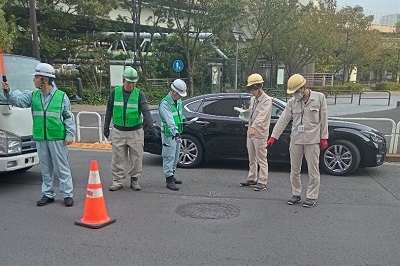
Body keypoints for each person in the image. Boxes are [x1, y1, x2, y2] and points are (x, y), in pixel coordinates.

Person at [2, 63, 76, 207]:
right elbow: (18, 101)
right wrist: (8, 92)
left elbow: (68, 117)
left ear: (45, 80)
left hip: (57, 138)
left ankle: (67, 194)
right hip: (41, 138)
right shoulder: (33, 95)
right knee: (46, 168)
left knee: (62, 167)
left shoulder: (61, 97)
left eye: (36, 77)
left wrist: (69, 135)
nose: (34, 80)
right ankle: (48, 194)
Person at [267, 74, 328, 208]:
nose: (294, 94)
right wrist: (274, 136)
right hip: (296, 139)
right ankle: (296, 193)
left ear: (303, 87)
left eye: (295, 91)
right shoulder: (292, 102)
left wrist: (324, 137)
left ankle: (312, 196)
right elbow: (283, 119)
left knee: (313, 170)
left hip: (312, 139)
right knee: (294, 169)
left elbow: (324, 119)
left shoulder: (319, 98)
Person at [104, 66, 157, 192]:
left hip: (135, 131)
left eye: (133, 82)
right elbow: (109, 109)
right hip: (118, 130)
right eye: (129, 82)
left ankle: (134, 179)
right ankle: (117, 181)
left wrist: (151, 124)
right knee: (117, 157)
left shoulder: (139, 94)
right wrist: (106, 126)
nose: (131, 85)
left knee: (137, 157)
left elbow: (145, 110)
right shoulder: (115, 92)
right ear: (123, 80)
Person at [239, 73, 272, 191]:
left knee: (261, 157)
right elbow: (252, 113)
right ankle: (252, 178)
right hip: (250, 130)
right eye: (250, 89)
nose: (251, 92)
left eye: (253, 89)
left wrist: (253, 127)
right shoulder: (253, 99)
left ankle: (262, 181)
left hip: (260, 133)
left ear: (259, 87)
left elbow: (261, 116)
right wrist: (245, 112)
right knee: (251, 156)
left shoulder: (267, 100)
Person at [159, 79, 187, 191]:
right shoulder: (165, 104)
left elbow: (179, 115)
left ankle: (172, 175)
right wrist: (175, 132)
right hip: (169, 134)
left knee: (175, 157)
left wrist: (185, 121)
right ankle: (169, 180)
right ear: (173, 91)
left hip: (177, 133)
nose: (181, 97)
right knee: (168, 156)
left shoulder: (178, 101)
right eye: (180, 94)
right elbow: (170, 120)